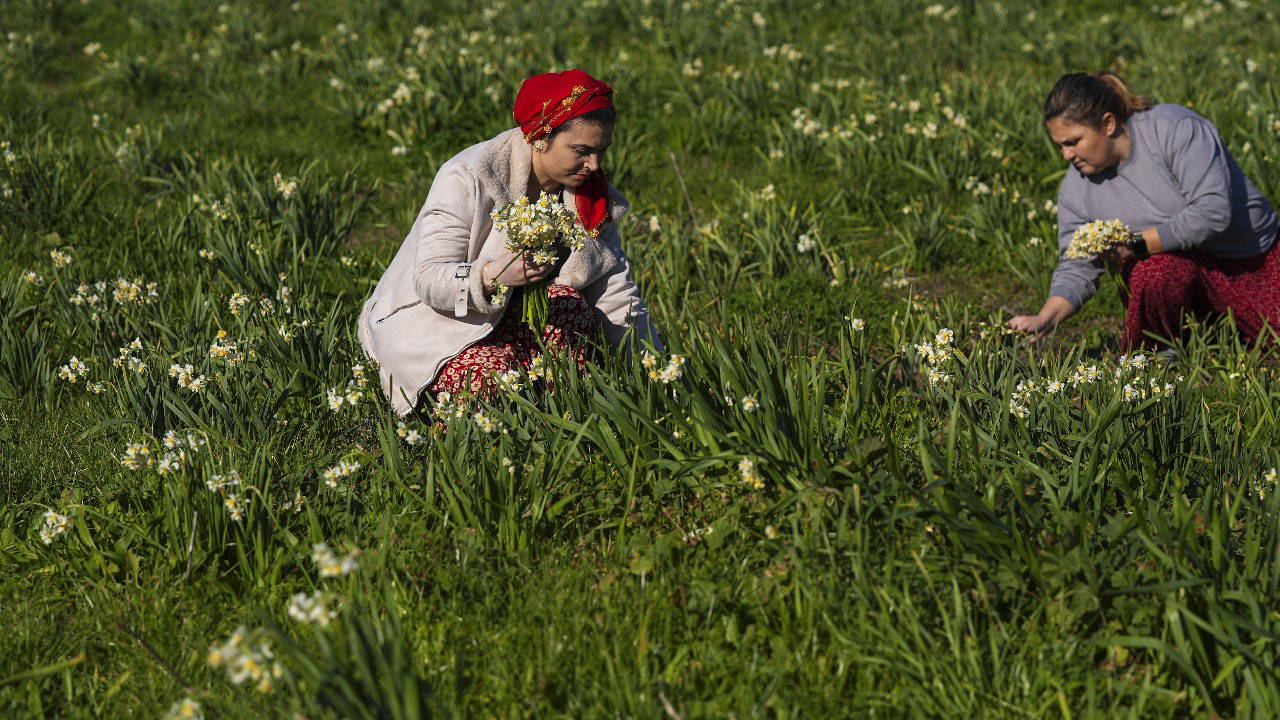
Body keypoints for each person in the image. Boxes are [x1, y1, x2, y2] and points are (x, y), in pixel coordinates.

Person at [358, 69, 659, 415]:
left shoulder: (590, 197)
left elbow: (615, 295)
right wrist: (493, 276)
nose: (594, 164)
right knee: (492, 383)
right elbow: (428, 280)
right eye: (582, 150)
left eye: (601, 151)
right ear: (542, 137)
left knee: (571, 308)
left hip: (515, 325)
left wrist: (656, 371)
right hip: (439, 326)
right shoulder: (469, 175)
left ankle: (560, 409)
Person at [1008, 71, 1280, 350]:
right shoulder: (1076, 189)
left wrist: (1135, 245)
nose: (1066, 155)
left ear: (1108, 124)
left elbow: (1213, 212)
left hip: (1250, 259)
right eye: (1060, 146)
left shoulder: (1173, 129)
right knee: (1155, 271)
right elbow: (1077, 264)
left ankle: (1219, 329)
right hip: (1180, 272)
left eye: (1073, 142)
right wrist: (1044, 318)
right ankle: (1160, 350)